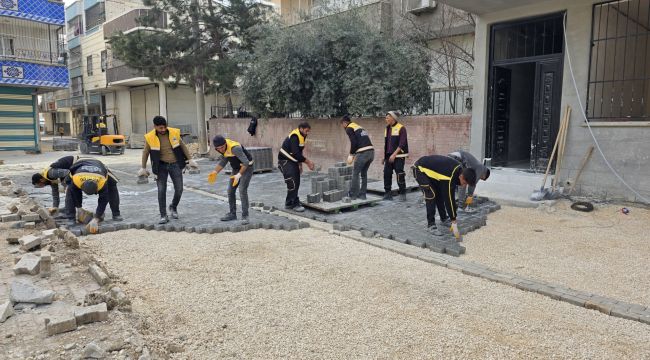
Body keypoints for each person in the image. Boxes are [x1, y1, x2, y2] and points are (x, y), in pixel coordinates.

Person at [138, 116, 198, 224]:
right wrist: (143, 167)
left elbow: (183, 146)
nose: (163, 130)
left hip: (175, 165)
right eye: (160, 128)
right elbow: (145, 152)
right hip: (160, 167)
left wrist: (190, 159)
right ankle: (163, 215)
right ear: (155, 127)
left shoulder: (173, 133)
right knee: (161, 191)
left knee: (179, 189)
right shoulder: (150, 137)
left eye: (164, 127)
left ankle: (173, 207)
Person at [412, 155, 476, 239]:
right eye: (464, 183)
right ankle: (431, 225)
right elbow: (449, 199)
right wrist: (453, 219)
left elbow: (449, 195)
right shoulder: (450, 176)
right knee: (431, 195)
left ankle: (444, 219)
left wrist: (453, 215)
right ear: (461, 176)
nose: (464, 186)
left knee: (440, 193)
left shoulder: (458, 171)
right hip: (420, 170)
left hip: (433, 173)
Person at [53, 156, 122, 233]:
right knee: (70, 190)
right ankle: (71, 218)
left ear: (97, 188)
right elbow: (71, 184)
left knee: (112, 186)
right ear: (81, 186)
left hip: (98, 164)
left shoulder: (102, 182)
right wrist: (63, 185)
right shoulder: (76, 179)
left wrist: (96, 218)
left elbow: (104, 199)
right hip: (80, 164)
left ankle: (116, 214)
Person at [208, 135, 254, 225]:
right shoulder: (221, 149)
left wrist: (239, 175)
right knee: (230, 191)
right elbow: (223, 161)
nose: (221, 149)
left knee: (242, 190)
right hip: (236, 168)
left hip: (247, 168)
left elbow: (246, 162)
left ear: (225, 144)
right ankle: (232, 214)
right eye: (218, 148)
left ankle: (245, 216)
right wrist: (215, 172)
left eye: (222, 147)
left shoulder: (235, 148)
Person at [278, 122, 315, 212]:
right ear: (301, 128)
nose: (307, 133)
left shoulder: (302, 136)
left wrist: (300, 165)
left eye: (309, 131)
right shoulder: (295, 136)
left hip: (292, 161)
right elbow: (296, 153)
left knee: (296, 181)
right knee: (292, 182)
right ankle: (294, 204)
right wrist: (308, 162)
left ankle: (289, 203)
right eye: (306, 131)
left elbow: (299, 151)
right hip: (284, 161)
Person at [340, 115, 374, 200]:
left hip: (363, 152)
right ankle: (363, 195)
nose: (343, 127)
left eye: (342, 124)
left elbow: (354, 142)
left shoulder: (349, 128)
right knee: (364, 174)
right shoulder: (358, 126)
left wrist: (351, 154)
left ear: (345, 123)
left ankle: (353, 195)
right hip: (371, 152)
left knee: (355, 173)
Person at [383, 111, 408, 201]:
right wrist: (384, 156)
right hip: (389, 156)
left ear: (393, 118)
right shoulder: (387, 128)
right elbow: (386, 144)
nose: (386, 119)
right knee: (386, 174)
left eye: (387, 117)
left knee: (399, 174)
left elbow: (402, 143)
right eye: (386, 117)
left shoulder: (401, 128)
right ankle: (387, 193)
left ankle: (402, 193)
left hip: (399, 156)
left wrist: (394, 154)